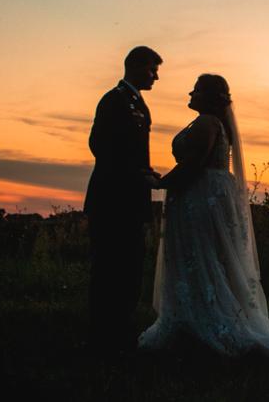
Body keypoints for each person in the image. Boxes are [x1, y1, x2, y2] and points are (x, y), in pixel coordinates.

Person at [139, 73, 269, 357]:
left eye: (195, 90)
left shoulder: (208, 123)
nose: (190, 95)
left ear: (208, 97)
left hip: (200, 198)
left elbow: (194, 164)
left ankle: (207, 323)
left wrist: (160, 183)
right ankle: (194, 318)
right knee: (202, 257)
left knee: (202, 256)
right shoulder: (211, 123)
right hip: (203, 196)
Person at [85, 45, 163, 353]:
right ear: (135, 66)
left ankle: (120, 329)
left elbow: (135, 152)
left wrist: (146, 173)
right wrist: (134, 174)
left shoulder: (138, 104)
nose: (156, 77)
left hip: (132, 200)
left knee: (130, 268)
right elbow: (99, 145)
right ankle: (103, 335)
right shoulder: (114, 100)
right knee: (108, 269)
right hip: (112, 199)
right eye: (152, 70)